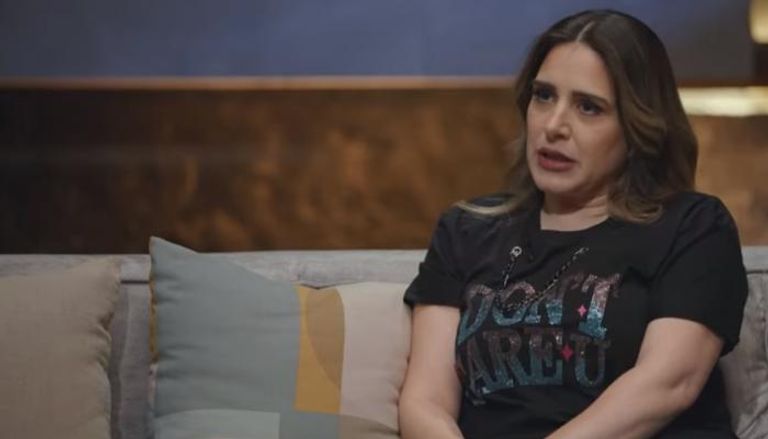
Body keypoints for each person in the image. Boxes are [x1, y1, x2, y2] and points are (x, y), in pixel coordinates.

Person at [398, 9, 748, 439]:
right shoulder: (465, 229)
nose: (554, 126)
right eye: (544, 96)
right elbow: (426, 401)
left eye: (588, 107)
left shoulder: (693, 227)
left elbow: (667, 386)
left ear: (637, 127)